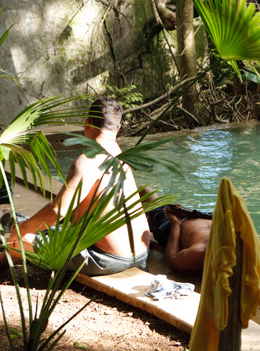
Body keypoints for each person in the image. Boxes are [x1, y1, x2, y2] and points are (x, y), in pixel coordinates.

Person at [8, 97, 152, 275]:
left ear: (87, 123)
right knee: (21, 223)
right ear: (118, 128)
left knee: (14, 237)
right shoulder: (121, 158)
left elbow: (58, 211)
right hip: (141, 253)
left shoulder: (89, 160)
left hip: (107, 259)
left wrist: (22, 230)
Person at [144, 187, 211, 273]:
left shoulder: (200, 251)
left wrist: (175, 224)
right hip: (191, 216)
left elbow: (172, 260)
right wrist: (188, 213)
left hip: (171, 225)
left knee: (146, 191)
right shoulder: (229, 232)